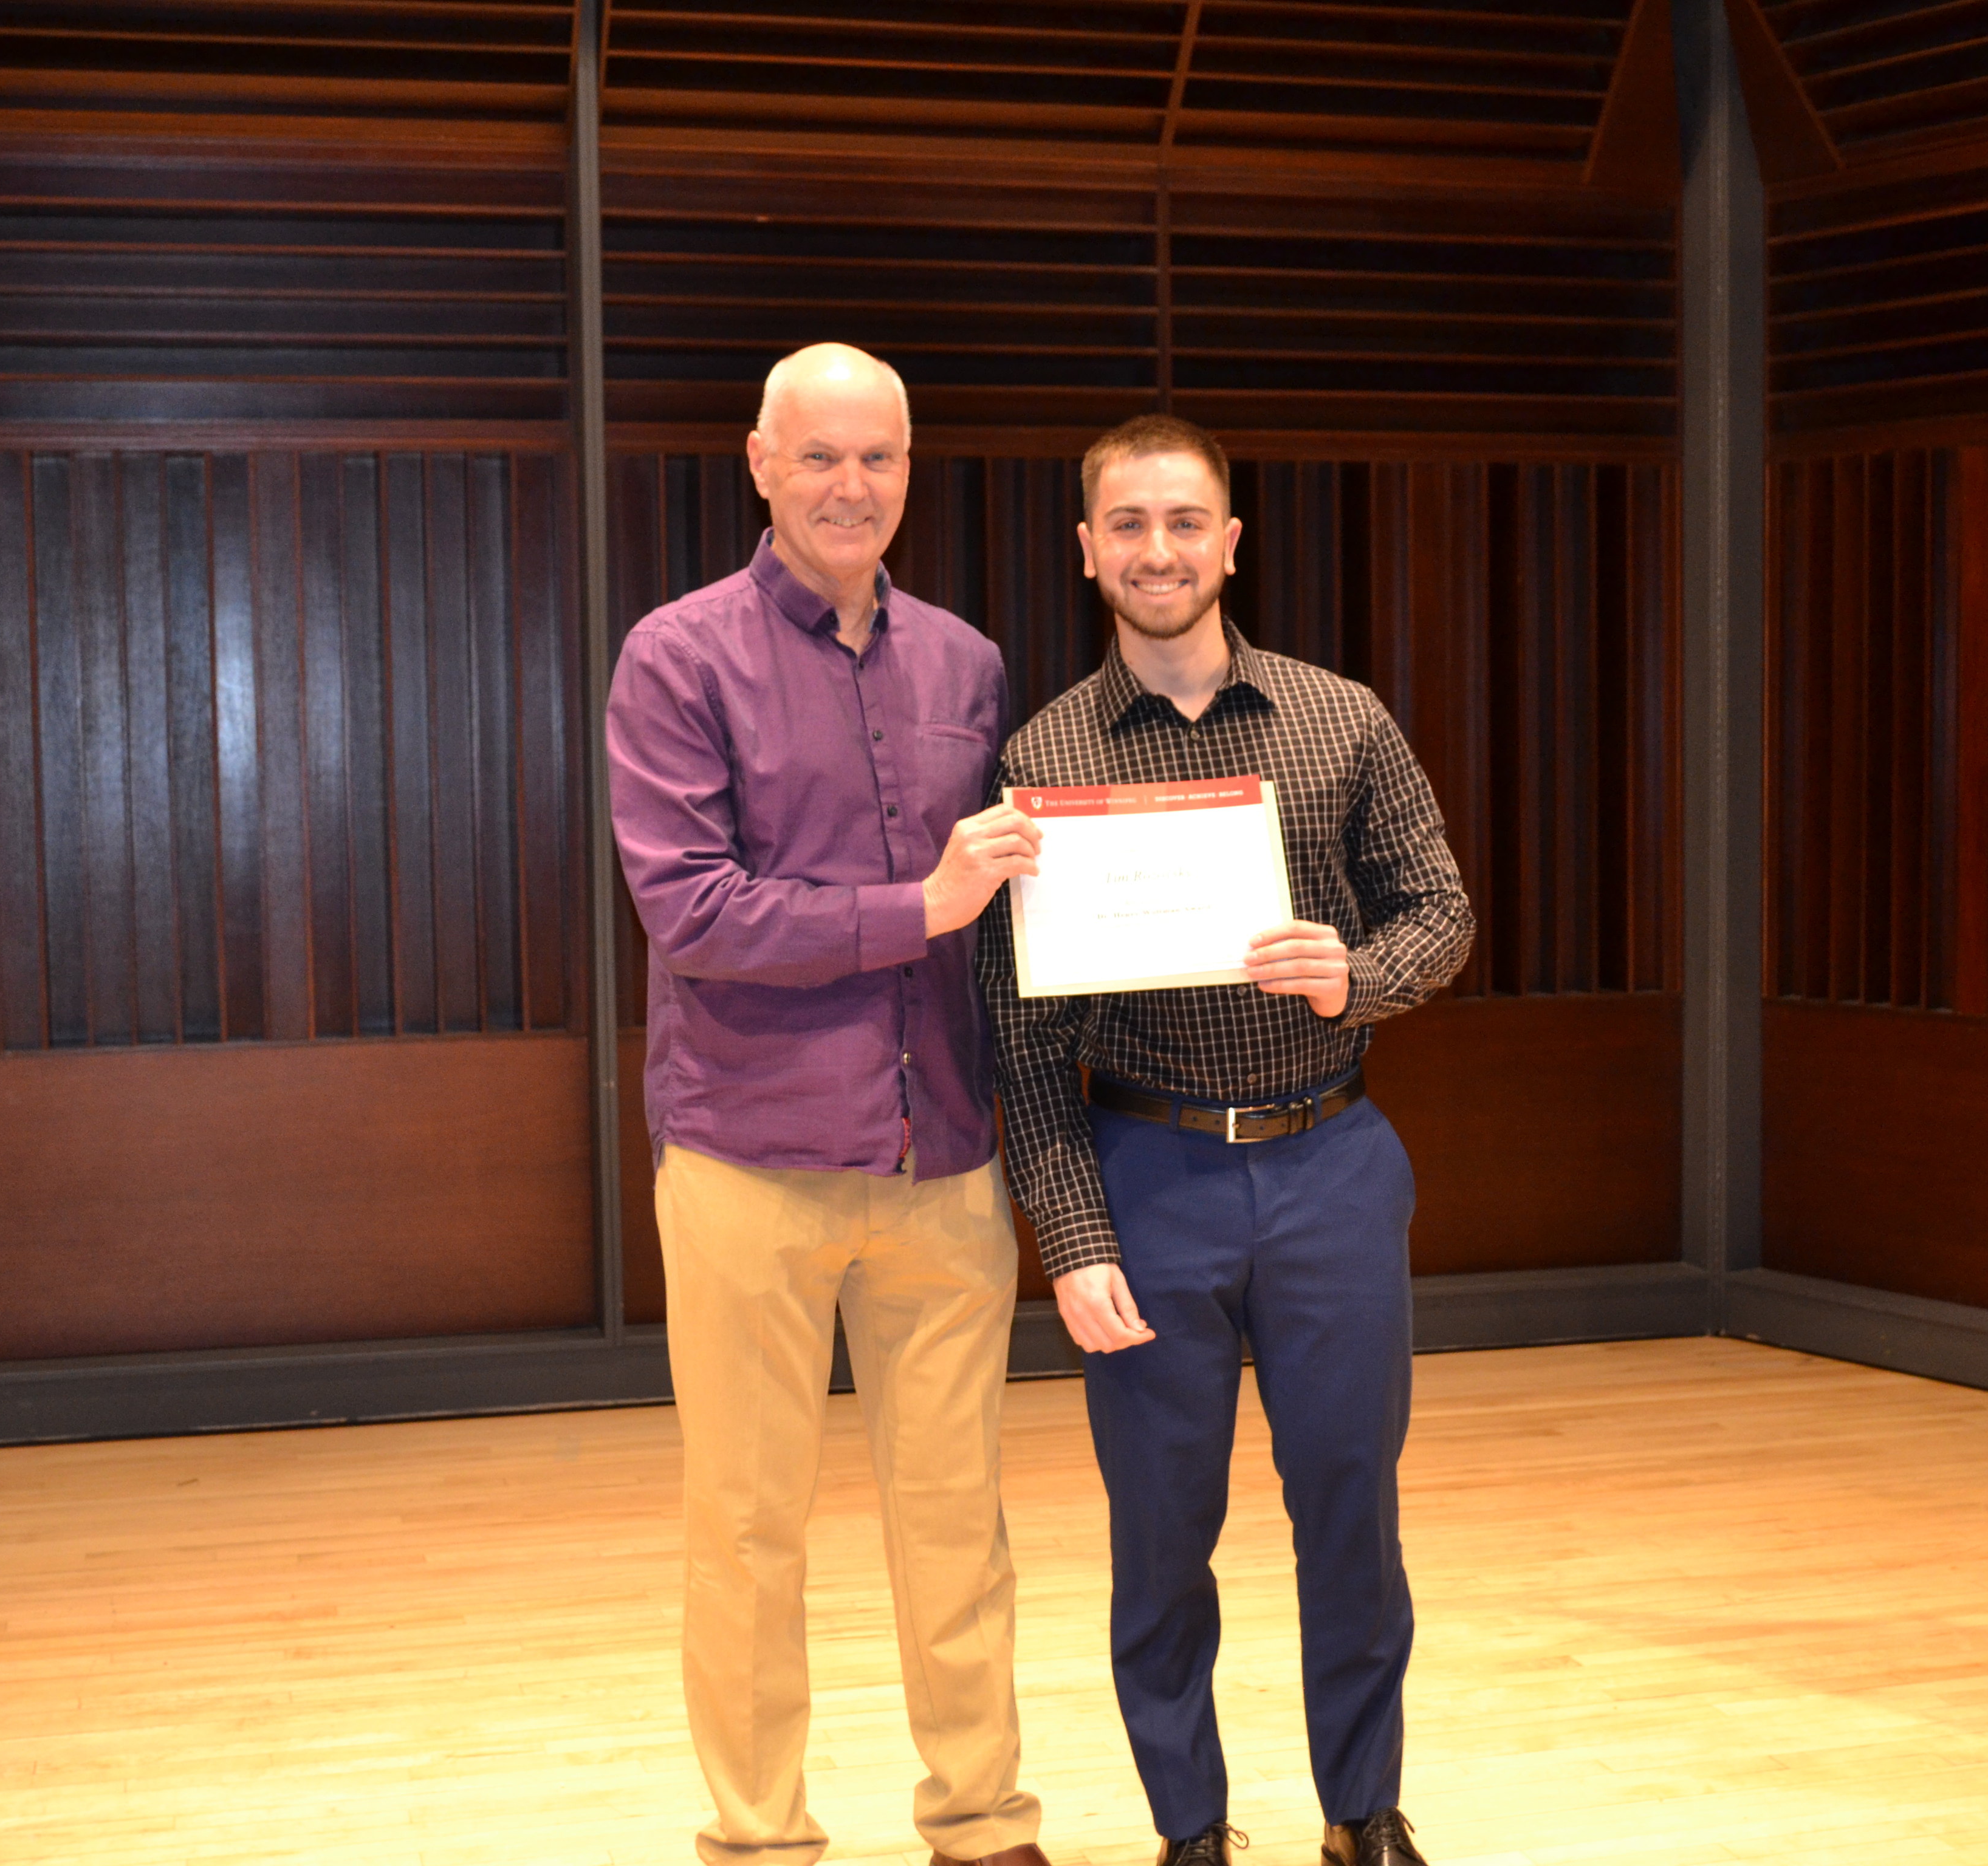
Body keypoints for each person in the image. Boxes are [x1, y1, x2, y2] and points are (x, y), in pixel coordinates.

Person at [980, 414, 1474, 1866]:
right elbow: (1020, 1038)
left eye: (1184, 522)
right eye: (1127, 525)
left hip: (1330, 1165)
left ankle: (1361, 1809)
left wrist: (1358, 972)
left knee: (1350, 1513)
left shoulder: (1342, 719)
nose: (1157, 551)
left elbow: (1442, 911)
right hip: (1147, 1184)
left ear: (1231, 540)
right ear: (1087, 551)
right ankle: (1189, 1826)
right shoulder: (1043, 759)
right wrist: (1069, 1242)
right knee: (1159, 1535)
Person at [607, 342, 1051, 1866]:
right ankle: (758, 1836)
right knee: (745, 1530)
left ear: (911, 471)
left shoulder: (968, 663)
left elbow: (997, 908)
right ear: (759, 462)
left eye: (879, 459)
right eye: (821, 458)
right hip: (749, 1159)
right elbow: (696, 913)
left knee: (959, 1519)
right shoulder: (676, 656)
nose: (852, 486)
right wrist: (918, 904)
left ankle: (983, 1820)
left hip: (943, 1159)